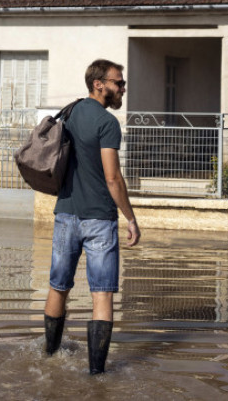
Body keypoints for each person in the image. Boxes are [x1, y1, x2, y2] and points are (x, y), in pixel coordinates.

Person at [43, 59, 141, 375]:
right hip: (99, 217)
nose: (122, 88)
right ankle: (97, 376)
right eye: (118, 82)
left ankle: (49, 357)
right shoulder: (107, 123)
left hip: (65, 214)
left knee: (59, 286)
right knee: (102, 293)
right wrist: (130, 217)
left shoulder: (70, 113)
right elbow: (113, 178)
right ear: (99, 83)